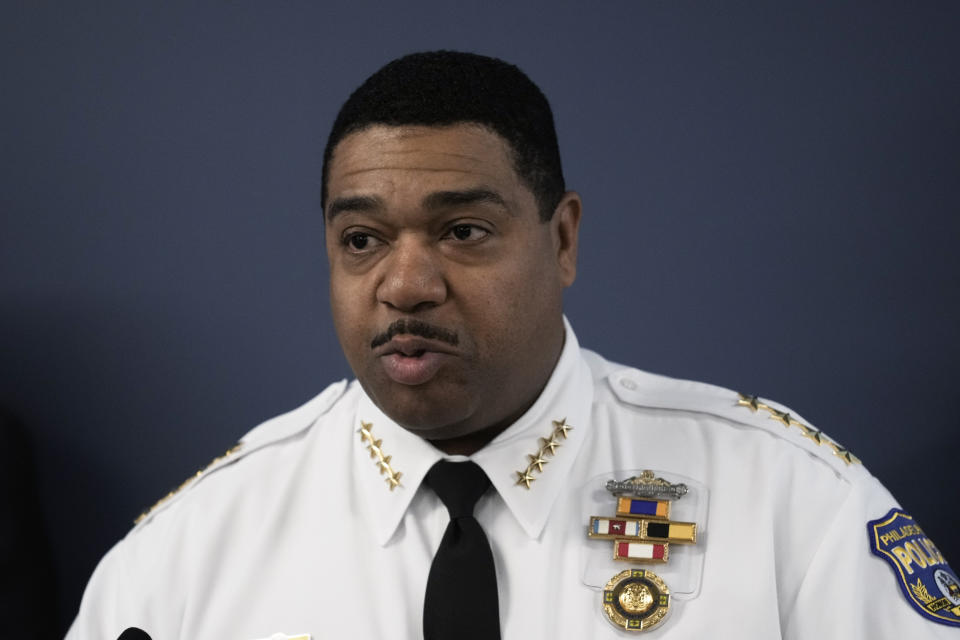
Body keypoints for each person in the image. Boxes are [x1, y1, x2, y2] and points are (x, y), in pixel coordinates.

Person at [67, 51, 959, 639]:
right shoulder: (183, 561)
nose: (405, 284)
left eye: (461, 231)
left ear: (562, 240)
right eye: (362, 240)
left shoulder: (791, 506)